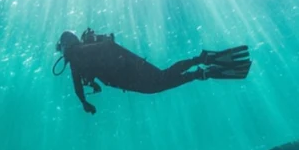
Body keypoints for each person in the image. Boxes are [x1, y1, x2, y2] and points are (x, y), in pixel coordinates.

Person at [54, 28, 250, 114]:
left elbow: (106, 48)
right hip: (128, 73)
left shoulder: (77, 55)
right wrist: (85, 102)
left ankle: (200, 66)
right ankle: (201, 68)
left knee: (162, 80)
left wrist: (85, 101)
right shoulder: (77, 59)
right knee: (161, 82)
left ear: (65, 45)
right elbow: (78, 86)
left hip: (129, 72)